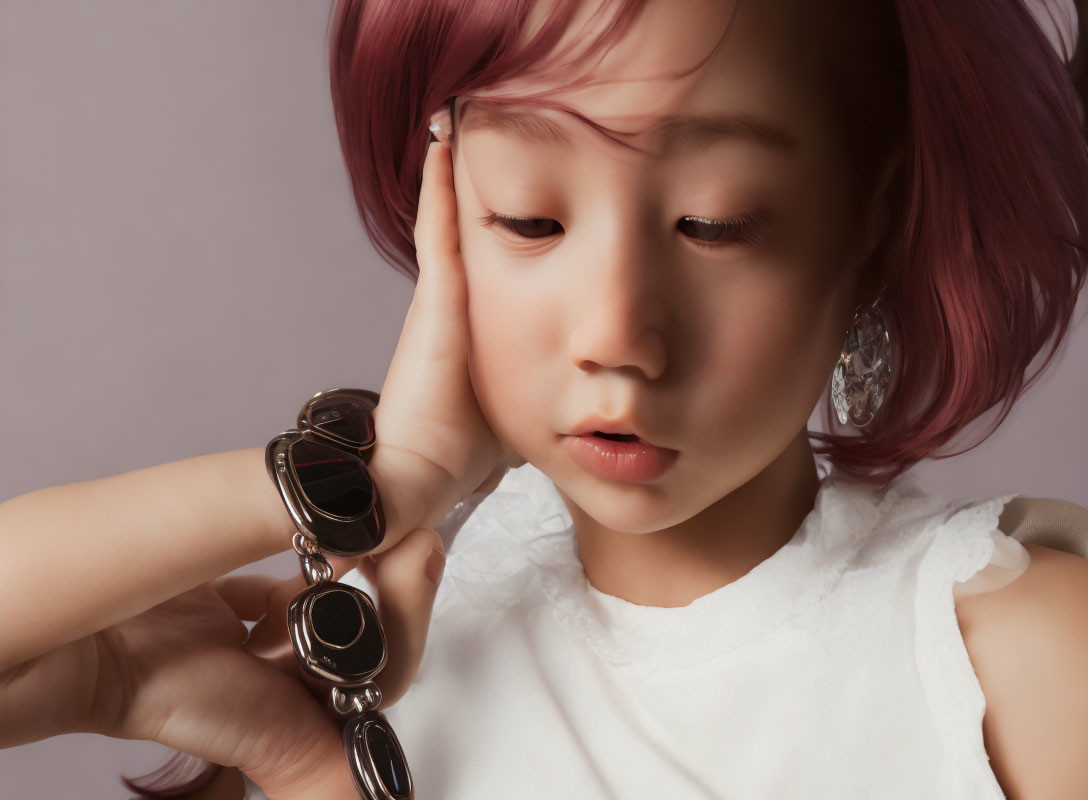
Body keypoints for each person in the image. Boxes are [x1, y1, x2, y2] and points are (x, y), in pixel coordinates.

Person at [2, 0, 1088, 798]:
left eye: (711, 224)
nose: (615, 333)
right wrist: (371, 490)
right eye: (531, 219)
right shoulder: (391, 643)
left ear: (867, 222)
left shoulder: (1003, 658)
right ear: (444, 212)